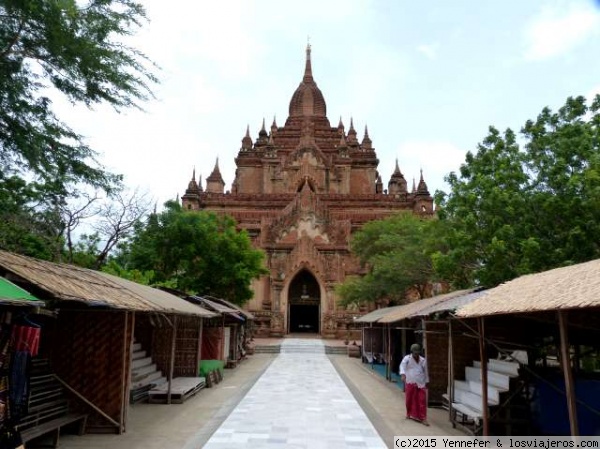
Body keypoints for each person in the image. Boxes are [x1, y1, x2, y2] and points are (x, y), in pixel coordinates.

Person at [399, 343, 429, 426]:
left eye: (417, 353)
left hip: (420, 382)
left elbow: (426, 372)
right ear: (412, 352)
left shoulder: (423, 360)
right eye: (415, 353)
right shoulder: (407, 359)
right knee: (409, 399)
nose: (416, 354)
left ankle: (423, 418)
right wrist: (403, 374)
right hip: (410, 381)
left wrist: (427, 381)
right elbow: (402, 366)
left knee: (422, 400)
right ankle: (409, 413)